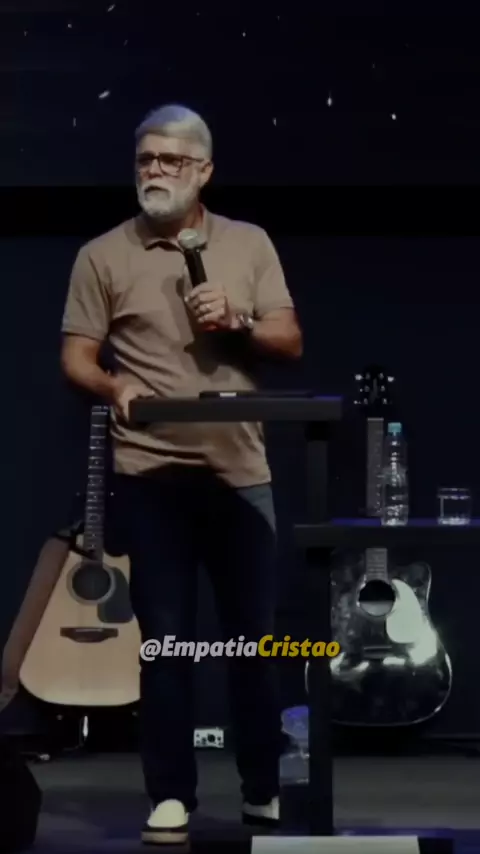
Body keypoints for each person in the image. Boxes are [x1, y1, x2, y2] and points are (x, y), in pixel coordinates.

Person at [60, 103, 303, 846]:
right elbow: (76, 357)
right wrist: (114, 384)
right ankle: (170, 794)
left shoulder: (248, 243)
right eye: (146, 160)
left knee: (253, 644)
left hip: (239, 474)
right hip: (150, 477)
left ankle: (263, 786)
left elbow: (288, 341)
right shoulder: (103, 254)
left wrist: (239, 320)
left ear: (204, 170)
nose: (155, 172)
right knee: (164, 646)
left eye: (171, 161)